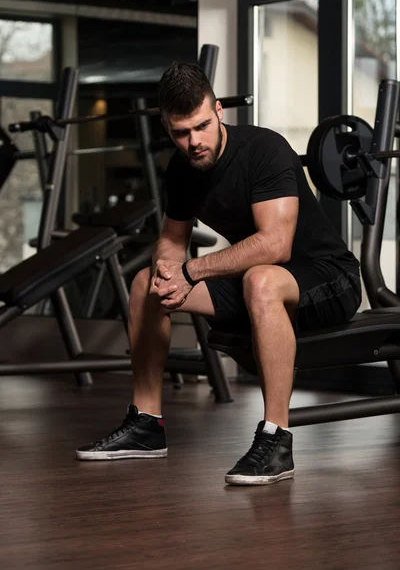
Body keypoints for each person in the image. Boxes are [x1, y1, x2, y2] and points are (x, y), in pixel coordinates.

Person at [76, 62, 362, 486]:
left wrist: (192, 269)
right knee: (144, 286)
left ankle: (276, 439)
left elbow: (275, 245)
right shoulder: (181, 168)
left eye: (202, 127)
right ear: (166, 127)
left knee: (260, 278)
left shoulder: (265, 150)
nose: (193, 142)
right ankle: (147, 424)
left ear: (220, 111)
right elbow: (172, 238)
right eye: (181, 133)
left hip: (327, 278)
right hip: (257, 284)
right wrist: (166, 272)